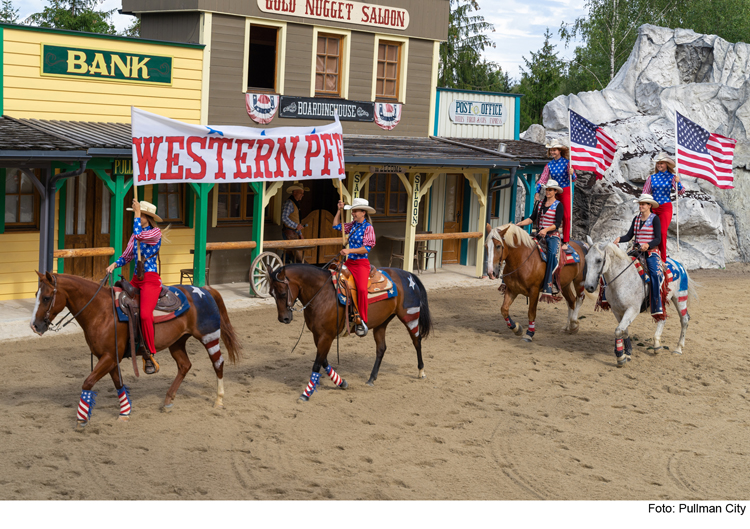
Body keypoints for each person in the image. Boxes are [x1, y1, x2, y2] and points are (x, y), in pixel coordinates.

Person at [106, 199, 164, 374]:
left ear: (146, 216)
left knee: (145, 315)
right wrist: (115, 264)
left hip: (150, 279)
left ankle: (150, 352)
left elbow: (139, 236)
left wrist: (137, 215)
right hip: (136, 278)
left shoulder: (155, 233)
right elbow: (127, 256)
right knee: (116, 304)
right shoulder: (135, 233)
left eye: (138, 213)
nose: (135, 215)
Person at [614, 193, 663, 318]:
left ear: (649, 205)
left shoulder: (655, 219)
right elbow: (629, 236)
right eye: (640, 204)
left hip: (651, 253)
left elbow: (658, 239)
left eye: (643, 204)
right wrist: (619, 239)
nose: (640, 206)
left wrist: (648, 244)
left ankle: (656, 305)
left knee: (654, 274)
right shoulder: (636, 219)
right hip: (636, 251)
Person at [332, 197, 376, 337]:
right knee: (335, 280)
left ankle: (362, 320)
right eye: (353, 211)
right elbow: (335, 225)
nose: (353, 213)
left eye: (356, 211)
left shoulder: (368, 227)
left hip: (361, 263)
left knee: (362, 289)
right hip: (349, 262)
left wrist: (349, 251)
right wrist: (339, 211)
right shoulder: (351, 225)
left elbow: (366, 248)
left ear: (363, 212)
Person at [517, 179, 564, 301]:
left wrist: (546, 230)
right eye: (546, 189)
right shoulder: (540, 203)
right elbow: (532, 219)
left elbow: (557, 224)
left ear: (555, 191)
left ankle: (551, 283)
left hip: (552, 235)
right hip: (539, 234)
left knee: (552, 254)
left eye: (550, 189)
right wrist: (519, 224)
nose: (547, 191)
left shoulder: (559, 205)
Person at [642, 152, 684, 262]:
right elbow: (645, 193)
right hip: (653, 207)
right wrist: (644, 205)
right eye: (658, 163)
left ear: (666, 165)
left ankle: (663, 259)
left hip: (665, 207)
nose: (659, 165)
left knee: (662, 232)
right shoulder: (651, 178)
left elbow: (680, 192)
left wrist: (678, 183)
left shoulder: (672, 177)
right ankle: (649, 253)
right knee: (649, 231)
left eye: (661, 163)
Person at [535, 138, 576, 250]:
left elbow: (574, 178)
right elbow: (542, 179)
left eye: (555, 150)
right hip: (554, 190)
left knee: (566, 216)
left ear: (559, 151)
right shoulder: (549, 165)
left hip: (566, 189)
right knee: (547, 212)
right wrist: (537, 192)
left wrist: (572, 173)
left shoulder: (568, 163)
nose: (552, 152)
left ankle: (566, 241)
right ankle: (546, 233)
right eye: (551, 150)